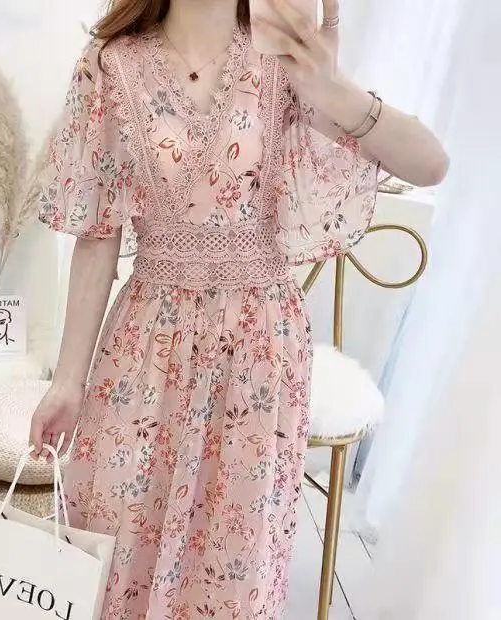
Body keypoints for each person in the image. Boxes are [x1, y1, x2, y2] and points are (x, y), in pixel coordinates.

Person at [30, 0, 448, 617]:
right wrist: (68, 381)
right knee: (120, 534)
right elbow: (97, 234)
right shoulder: (112, 64)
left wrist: (332, 89)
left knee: (231, 560)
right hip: (146, 345)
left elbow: (431, 164)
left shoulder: (286, 58)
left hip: (258, 355)